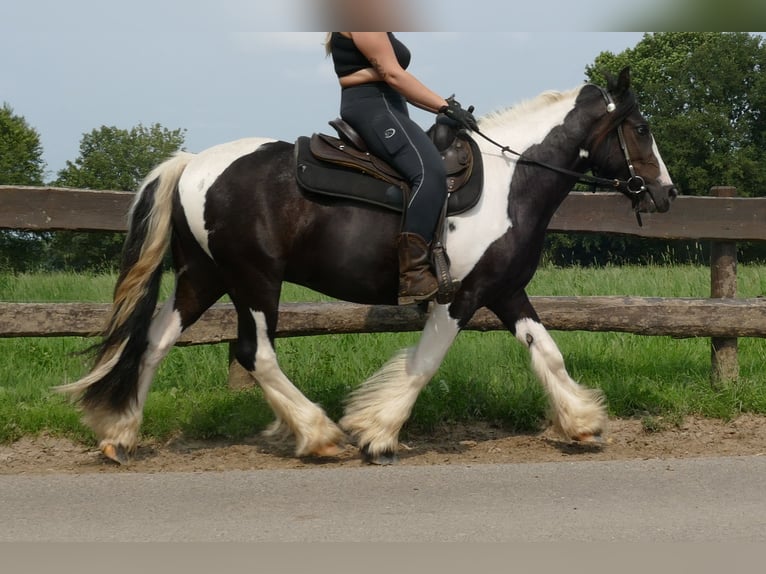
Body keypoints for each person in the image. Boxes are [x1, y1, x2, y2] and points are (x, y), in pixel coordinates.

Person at [326, 32, 478, 305]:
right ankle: (414, 273)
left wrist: (444, 107)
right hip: (374, 107)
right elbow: (394, 75)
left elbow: (393, 80)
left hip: (388, 104)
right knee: (429, 173)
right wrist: (444, 106)